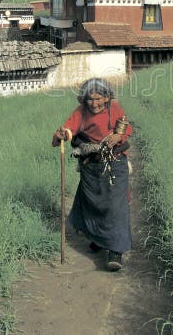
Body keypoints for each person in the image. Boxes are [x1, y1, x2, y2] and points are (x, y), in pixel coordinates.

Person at [52, 78, 132, 271]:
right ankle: (98, 237)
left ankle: (115, 251)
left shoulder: (115, 109)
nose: (94, 104)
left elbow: (126, 128)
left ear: (106, 98)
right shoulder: (81, 112)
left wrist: (118, 136)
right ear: (84, 100)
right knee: (93, 204)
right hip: (91, 165)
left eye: (98, 99)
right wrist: (62, 135)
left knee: (115, 206)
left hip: (115, 163)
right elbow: (68, 130)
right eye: (90, 99)